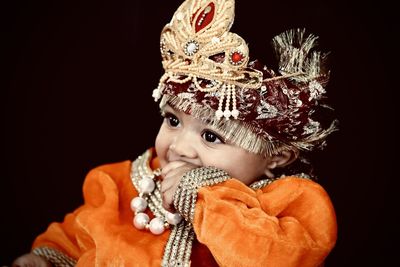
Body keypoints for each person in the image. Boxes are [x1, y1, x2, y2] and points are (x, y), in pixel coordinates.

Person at [12, 0, 338, 266]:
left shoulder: (293, 205)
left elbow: (281, 258)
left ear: (277, 156)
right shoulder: (124, 184)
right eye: (173, 120)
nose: (180, 146)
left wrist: (202, 196)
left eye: (211, 136)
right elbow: (77, 236)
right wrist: (49, 259)